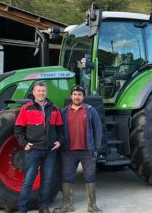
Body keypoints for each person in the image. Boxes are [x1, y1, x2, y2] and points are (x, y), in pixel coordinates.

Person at [14, 81, 64, 213]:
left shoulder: (54, 109)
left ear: (46, 92)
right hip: (33, 150)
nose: (41, 93)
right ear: (34, 93)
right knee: (28, 181)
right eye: (38, 91)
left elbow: (60, 128)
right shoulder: (26, 108)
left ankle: (43, 206)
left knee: (47, 180)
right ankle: (22, 208)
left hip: (50, 151)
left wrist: (59, 141)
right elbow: (18, 129)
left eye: (43, 91)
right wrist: (24, 144)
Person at [54, 85, 103, 213]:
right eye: (75, 94)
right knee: (67, 178)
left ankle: (92, 206)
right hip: (69, 152)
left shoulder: (91, 111)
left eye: (79, 94)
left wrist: (96, 148)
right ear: (71, 96)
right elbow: (59, 130)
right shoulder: (64, 112)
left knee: (90, 177)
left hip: (87, 151)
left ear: (83, 96)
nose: (77, 97)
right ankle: (67, 205)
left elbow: (98, 129)